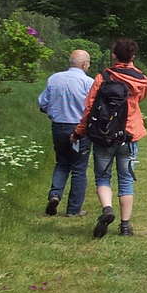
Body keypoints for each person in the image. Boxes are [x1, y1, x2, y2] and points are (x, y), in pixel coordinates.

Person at [73, 39, 147, 239]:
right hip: (130, 134)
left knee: (102, 176)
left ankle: (107, 209)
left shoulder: (103, 77)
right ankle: (125, 226)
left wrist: (80, 131)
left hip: (104, 134)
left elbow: (89, 108)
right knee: (126, 179)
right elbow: (141, 98)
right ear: (133, 56)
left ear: (114, 55)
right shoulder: (142, 79)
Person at [37, 49, 94, 216]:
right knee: (78, 167)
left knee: (62, 163)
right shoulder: (88, 82)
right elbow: (92, 107)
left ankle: (55, 195)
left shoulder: (54, 78)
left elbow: (42, 103)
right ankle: (73, 209)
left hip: (58, 126)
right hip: (79, 128)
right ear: (85, 64)